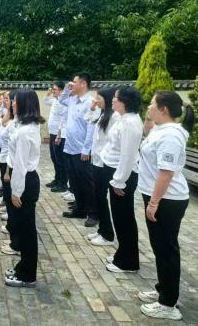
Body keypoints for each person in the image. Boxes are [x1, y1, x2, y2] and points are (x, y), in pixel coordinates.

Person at [136, 91, 194, 321]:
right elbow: (146, 134)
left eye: (152, 104)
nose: (148, 106)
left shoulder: (171, 136)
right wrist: (148, 118)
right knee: (160, 248)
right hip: (159, 196)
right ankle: (164, 290)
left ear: (164, 109)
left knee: (166, 250)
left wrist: (154, 203)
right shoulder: (161, 129)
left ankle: (168, 304)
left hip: (167, 200)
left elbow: (166, 173)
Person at [4, 88, 45, 288]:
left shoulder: (25, 132)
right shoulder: (27, 126)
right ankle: (23, 267)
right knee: (24, 228)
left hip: (25, 180)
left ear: (24, 104)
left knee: (27, 230)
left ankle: (27, 275)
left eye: (16, 101)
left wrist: (16, 191)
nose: (12, 103)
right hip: (26, 178)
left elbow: (20, 165)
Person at [101, 86, 143, 273]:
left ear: (125, 101)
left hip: (123, 175)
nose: (112, 100)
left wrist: (119, 181)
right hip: (116, 172)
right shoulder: (122, 118)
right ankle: (123, 253)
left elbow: (128, 155)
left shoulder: (130, 123)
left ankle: (128, 262)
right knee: (119, 218)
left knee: (124, 219)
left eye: (116, 98)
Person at [58, 73, 97, 227]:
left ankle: (93, 213)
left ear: (83, 83)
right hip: (70, 147)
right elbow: (61, 100)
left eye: (74, 82)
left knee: (87, 183)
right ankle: (80, 209)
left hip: (82, 150)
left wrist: (86, 149)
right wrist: (66, 89)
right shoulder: (73, 99)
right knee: (74, 182)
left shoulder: (90, 102)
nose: (71, 84)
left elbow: (91, 128)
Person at [85, 87, 118, 247]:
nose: (96, 100)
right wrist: (92, 109)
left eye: (99, 98)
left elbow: (112, 143)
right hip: (97, 161)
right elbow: (88, 120)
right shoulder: (103, 114)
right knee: (98, 197)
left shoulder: (114, 117)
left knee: (101, 198)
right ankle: (102, 230)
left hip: (104, 163)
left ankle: (108, 234)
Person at [0, 91, 19, 256]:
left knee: (12, 196)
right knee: (7, 192)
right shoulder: (12, 118)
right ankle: (12, 225)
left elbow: (16, 153)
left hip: (10, 162)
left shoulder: (17, 124)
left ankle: (15, 237)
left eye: (10, 100)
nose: (9, 103)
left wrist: (7, 171)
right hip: (5, 157)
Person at [43, 82, 68, 192]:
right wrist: (48, 93)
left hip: (59, 135)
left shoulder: (64, 103)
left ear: (61, 90)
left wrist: (59, 135)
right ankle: (57, 179)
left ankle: (63, 183)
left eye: (55, 89)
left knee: (60, 160)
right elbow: (45, 101)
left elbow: (63, 120)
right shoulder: (55, 100)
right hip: (53, 134)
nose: (53, 91)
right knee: (54, 158)